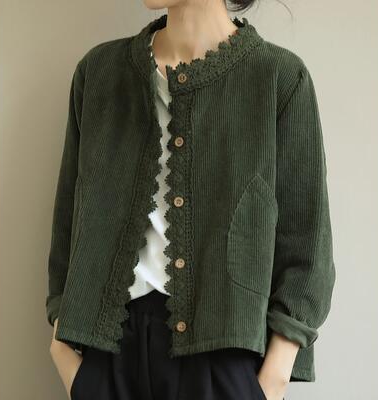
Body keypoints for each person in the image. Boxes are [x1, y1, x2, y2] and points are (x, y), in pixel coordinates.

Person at [47, 1, 336, 400]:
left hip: (224, 359)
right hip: (107, 351)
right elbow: (69, 218)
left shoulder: (278, 78)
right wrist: (64, 348)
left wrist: (271, 381)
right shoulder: (100, 72)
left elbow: (307, 245)